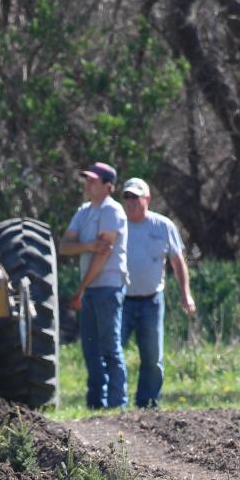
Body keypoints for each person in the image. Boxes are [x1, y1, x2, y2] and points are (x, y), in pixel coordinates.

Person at [119, 177, 195, 408]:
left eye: (136, 197)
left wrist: (186, 294)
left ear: (147, 199)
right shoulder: (117, 225)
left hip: (152, 300)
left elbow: (177, 262)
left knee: (153, 357)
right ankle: (115, 404)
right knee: (114, 354)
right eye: (127, 197)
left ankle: (148, 403)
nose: (131, 201)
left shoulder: (163, 226)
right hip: (120, 299)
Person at [59, 162, 129, 410]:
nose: (87, 184)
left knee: (110, 347)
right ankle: (96, 404)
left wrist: (80, 289)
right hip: (90, 289)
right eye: (87, 179)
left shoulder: (112, 211)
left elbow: (103, 256)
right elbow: (64, 246)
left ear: (108, 187)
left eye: (93, 181)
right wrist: (88, 246)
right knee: (90, 349)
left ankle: (117, 404)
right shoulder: (83, 211)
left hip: (108, 287)